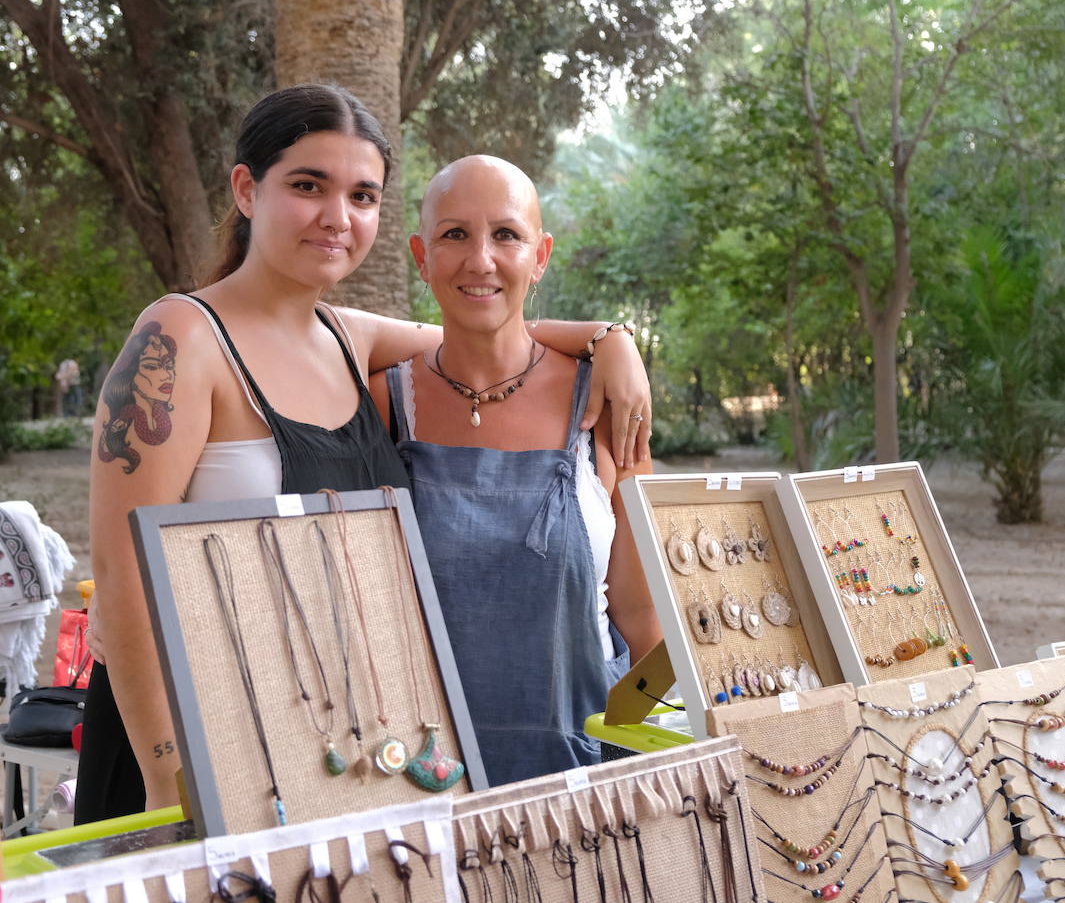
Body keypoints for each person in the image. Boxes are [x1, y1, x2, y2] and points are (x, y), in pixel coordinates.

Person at [80, 85, 654, 822]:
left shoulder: (350, 340)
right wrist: (168, 779)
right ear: (247, 189)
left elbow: (488, 331)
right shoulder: (180, 338)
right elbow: (123, 574)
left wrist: (612, 339)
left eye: (362, 195)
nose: (336, 217)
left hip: (308, 754)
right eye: (308, 186)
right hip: (185, 741)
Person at [371, 155, 662, 785]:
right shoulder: (380, 404)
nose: (480, 260)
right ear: (421, 257)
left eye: (506, 234)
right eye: (455, 235)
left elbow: (643, 619)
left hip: (578, 790)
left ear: (541, 255)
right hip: (419, 792)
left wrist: (627, 763)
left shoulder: (605, 407)